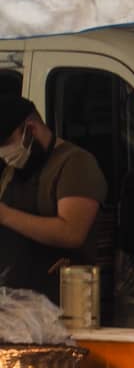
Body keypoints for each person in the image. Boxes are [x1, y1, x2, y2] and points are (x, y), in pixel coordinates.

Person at [0, 95, 107, 295]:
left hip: (63, 299)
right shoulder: (11, 170)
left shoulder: (75, 163)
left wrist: (5, 215)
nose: (4, 152)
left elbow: (72, 233)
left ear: (30, 130)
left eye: (6, 142)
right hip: (14, 299)